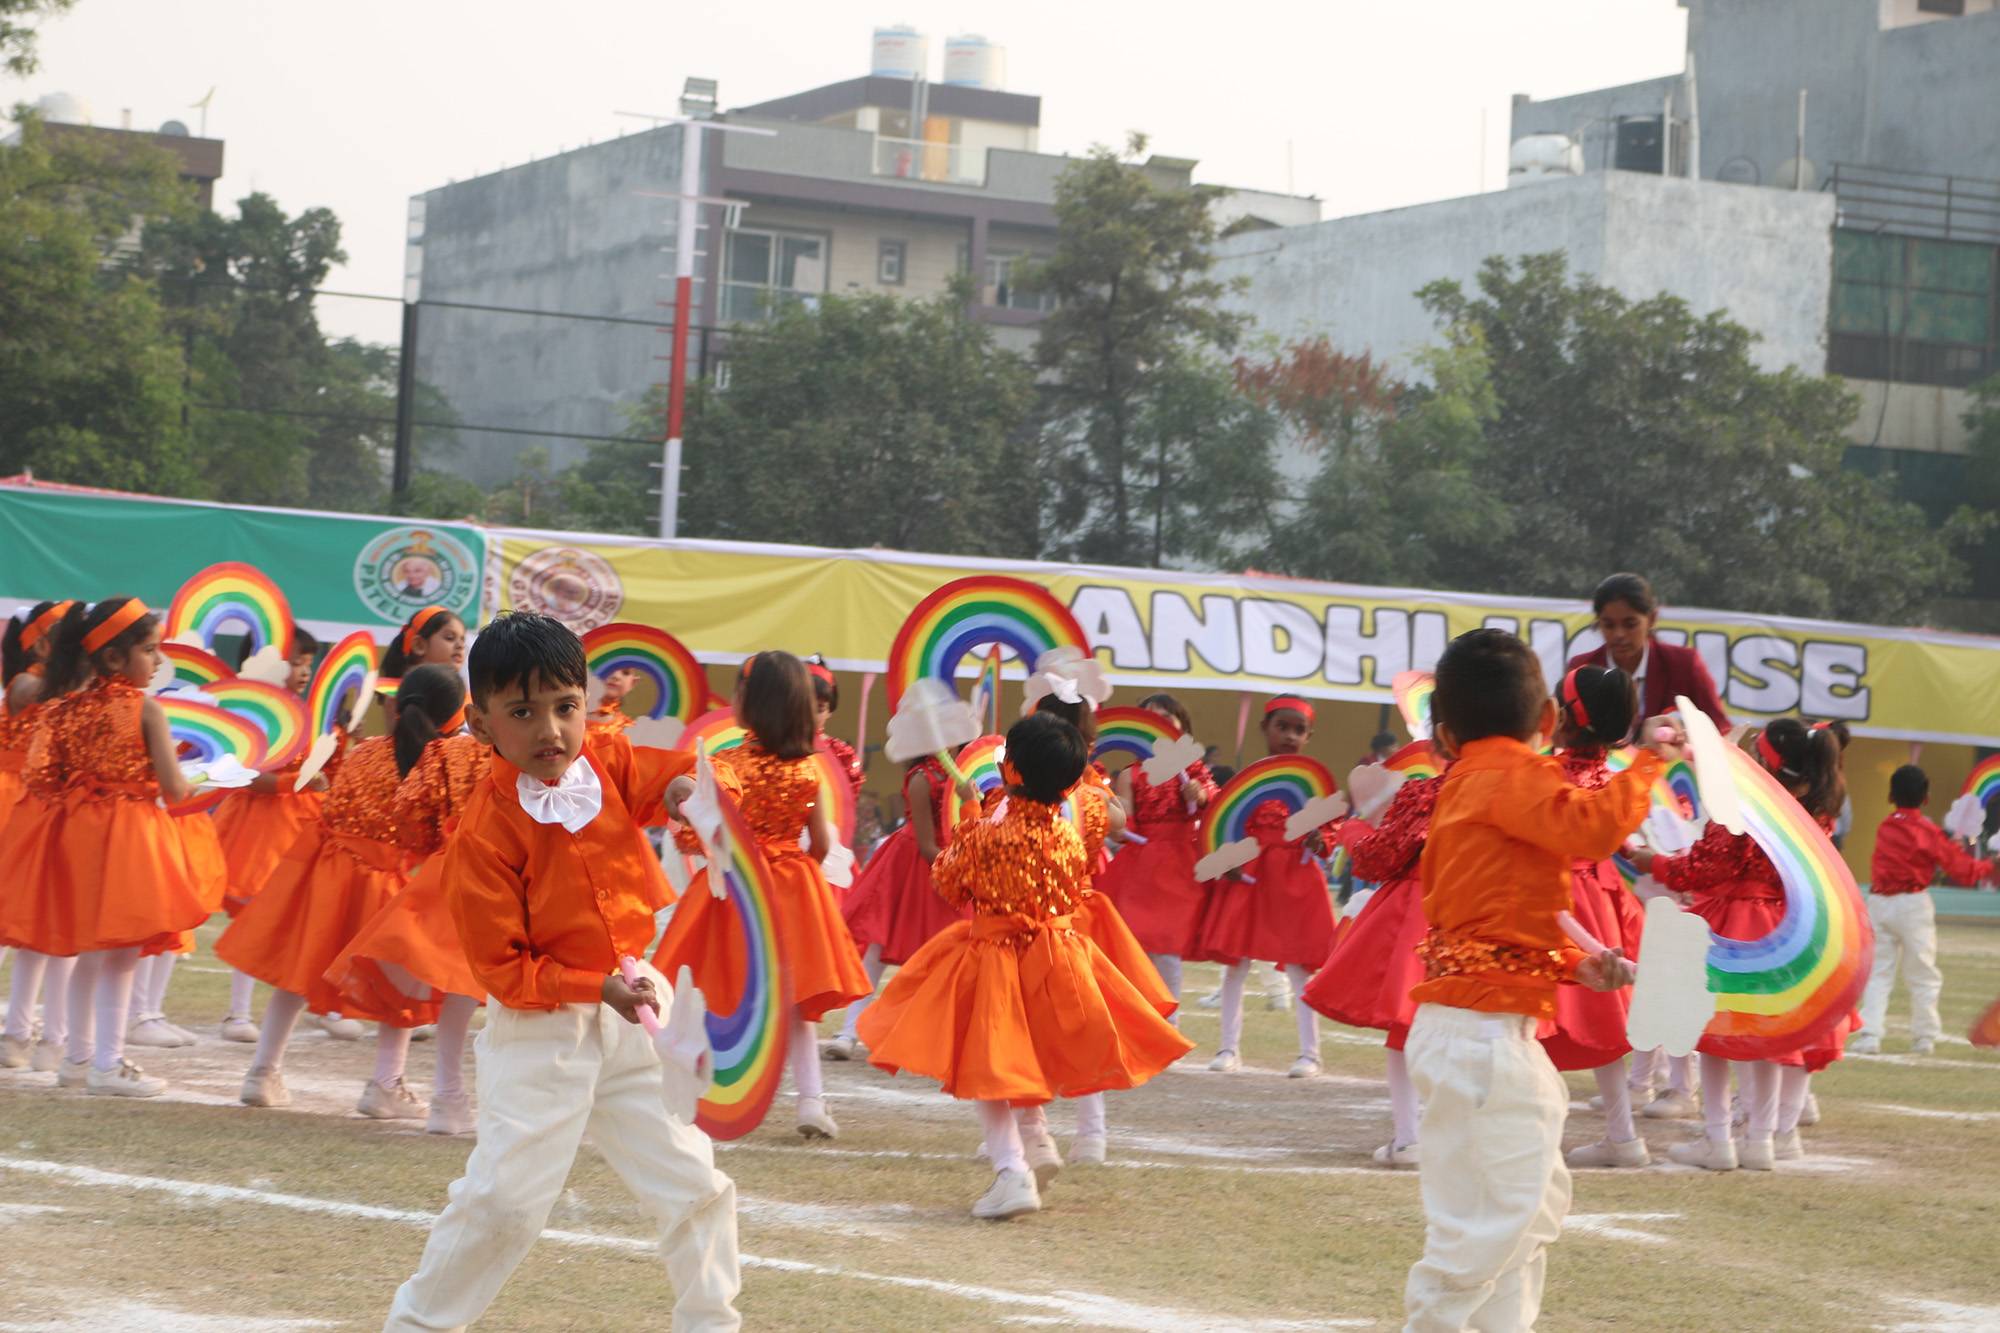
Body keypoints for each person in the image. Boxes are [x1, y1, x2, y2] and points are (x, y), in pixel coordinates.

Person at [384, 612, 739, 1331]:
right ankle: (417, 1325)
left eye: (565, 706)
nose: (550, 729)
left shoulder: (606, 756)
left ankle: (711, 1322)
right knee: (505, 1203)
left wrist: (685, 792)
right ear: (480, 723)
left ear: (585, 703)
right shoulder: (483, 835)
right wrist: (593, 989)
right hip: (541, 1035)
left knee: (695, 1183)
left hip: (640, 1009)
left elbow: (686, 773)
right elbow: (503, 970)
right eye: (522, 712)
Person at [1401, 629, 1662, 1332]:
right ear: (1547, 718)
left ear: (1445, 732)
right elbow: (1593, 828)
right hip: (1484, 1044)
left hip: (1475, 1034)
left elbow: (1493, 923)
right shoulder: (1511, 775)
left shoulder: (1467, 783)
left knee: (1523, 1214)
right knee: (1492, 1227)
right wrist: (1653, 761)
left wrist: (1575, 965)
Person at [858, 711, 1193, 1220]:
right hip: (1054, 957)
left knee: (990, 1067)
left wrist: (971, 812)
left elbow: (947, 880)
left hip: (995, 957)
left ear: (1008, 770)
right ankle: (1036, 1141)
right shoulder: (1070, 834)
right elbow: (1091, 846)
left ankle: (1011, 1170)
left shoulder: (985, 833)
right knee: (1019, 1057)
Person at [219, 666, 469, 1120]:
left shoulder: (366, 750)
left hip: (330, 873)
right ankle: (386, 1084)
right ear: (455, 718)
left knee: (299, 973)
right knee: (401, 986)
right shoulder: (445, 764)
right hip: (389, 883)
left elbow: (333, 809)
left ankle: (262, 1070)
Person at [653, 651, 871, 1140]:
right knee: (795, 1002)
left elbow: (702, 836)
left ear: (749, 702)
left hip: (737, 889)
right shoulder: (809, 769)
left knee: (718, 989)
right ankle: (811, 1102)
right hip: (795, 888)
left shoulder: (727, 766)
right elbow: (821, 842)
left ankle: (703, 1097)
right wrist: (799, 872)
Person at [0, 597, 210, 1097]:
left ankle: (77, 1059)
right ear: (114, 657)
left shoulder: (60, 709)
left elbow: (41, 778)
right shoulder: (146, 709)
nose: (158, 661)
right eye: (150, 650)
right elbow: (175, 790)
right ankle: (108, 1064)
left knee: (89, 954)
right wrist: (211, 776)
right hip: (129, 839)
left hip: (74, 837)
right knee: (120, 956)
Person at [1635, 716, 1845, 1170]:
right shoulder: (1816, 814)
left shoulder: (1741, 808)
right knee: (1768, 1038)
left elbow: (1701, 870)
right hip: (1786, 931)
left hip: (1731, 923)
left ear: (1766, 764)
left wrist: (1652, 862)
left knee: (1712, 1035)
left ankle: (1718, 1140)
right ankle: (1761, 1140)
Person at [323, 698, 496, 1135]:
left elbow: (414, 822)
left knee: (462, 984)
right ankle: (448, 1096)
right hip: (495, 877)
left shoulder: (446, 753)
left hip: (451, 871)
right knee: (469, 986)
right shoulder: (517, 753)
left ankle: (441, 1093)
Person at [1189, 696, 1343, 1078]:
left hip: (1296, 879)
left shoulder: (1314, 783)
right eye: (1282, 727)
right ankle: (1228, 1048)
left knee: (1298, 965)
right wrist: (1225, 861)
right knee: (1236, 963)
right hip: (1251, 875)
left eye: (1298, 730)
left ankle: (1310, 1054)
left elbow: (1330, 830)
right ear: (1265, 729)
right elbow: (1224, 822)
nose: (1290, 736)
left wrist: (1320, 840)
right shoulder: (1248, 780)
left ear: (1309, 736)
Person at [1301, 752, 1442, 1168]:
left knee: (1406, 1023)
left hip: (1421, 912)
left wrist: (1352, 829)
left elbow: (1377, 857)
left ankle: (1409, 1137)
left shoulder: (1428, 793)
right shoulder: (1513, 788)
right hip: (1488, 910)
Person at [1544, 666, 1653, 1170]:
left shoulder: (1546, 773)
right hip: (1601, 898)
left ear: (1565, 717)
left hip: (1555, 899)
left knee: (1535, 1016)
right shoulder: (1616, 779)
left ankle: (1535, 1135)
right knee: (1603, 1019)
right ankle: (1622, 1135)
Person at [205, 627, 325, 1042]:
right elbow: (241, 772)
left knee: (292, 918)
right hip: (259, 827)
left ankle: (313, 1005)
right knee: (254, 913)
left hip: (300, 823)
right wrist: (294, 782)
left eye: (308, 663)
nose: (304, 671)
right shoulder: (248, 713)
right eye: (296, 662)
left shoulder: (306, 711)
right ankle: (237, 1013)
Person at [826, 752, 961, 1060]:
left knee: (948, 952)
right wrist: (961, 870)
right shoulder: (922, 778)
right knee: (878, 945)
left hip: (949, 861)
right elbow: (927, 844)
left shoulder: (962, 773)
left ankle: (936, 1035)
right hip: (915, 864)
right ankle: (848, 1032)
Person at [1852, 764, 1994, 1055]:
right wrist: (1990, 864)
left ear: (1891, 796)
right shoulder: (1928, 831)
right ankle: (1924, 1037)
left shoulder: (1885, 827)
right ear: (1926, 797)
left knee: (1878, 973)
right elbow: (1964, 871)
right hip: (1913, 905)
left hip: (1879, 903)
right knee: (1922, 974)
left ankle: (1870, 1035)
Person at [1097, 692, 1219, 1015]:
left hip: (1180, 869)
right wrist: (1116, 823)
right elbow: (1124, 819)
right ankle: (1136, 1019)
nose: (1157, 726)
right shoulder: (1131, 774)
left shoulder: (1193, 770)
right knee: (1134, 947)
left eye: (1166, 719)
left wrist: (1200, 794)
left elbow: (1214, 799)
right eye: (1149, 719)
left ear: (1182, 728)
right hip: (1140, 870)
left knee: (1167, 950)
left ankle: (1169, 1023)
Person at [0, 599, 78, 1073]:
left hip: (59, 809)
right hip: (17, 805)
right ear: (43, 644)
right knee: (21, 922)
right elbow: (48, 694)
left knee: (56, 924)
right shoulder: (27, 683)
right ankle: (19, 1031)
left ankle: (49, 1036)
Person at [1567, 573, 1729, 732]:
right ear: (1599, 623)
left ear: (1652, 619)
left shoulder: (1684, 665)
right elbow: (1564, 733)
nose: (1619, 634)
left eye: (1630, 624)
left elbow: (1721, 730)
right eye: (1609, 625)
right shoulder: (1581, 671)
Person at [805, 655, 863, 791]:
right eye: (803, 705)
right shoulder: (775, 748)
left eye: (819, 709)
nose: (809, 715)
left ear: (830, 711)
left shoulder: (841, 754)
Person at [377, 605, 467, 681]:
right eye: (450, 638)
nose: (461, 646)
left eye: (463, 640)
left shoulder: (465, 695)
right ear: (419, 645)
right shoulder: (393, 694)